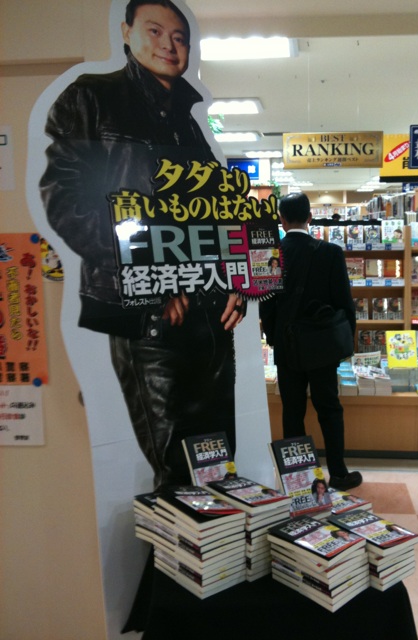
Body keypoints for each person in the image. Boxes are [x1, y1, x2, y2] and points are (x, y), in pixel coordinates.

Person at [39, 0, 245, 489]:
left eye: (179, 38)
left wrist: (239, 279)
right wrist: (151, 276)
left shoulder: (188, 120)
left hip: (210, 314)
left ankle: (213, 540)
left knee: (218, 464)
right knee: (177, 469)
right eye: (155, 31)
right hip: (147, 314)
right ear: (126, 32)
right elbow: (66, 202)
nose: (169, 46)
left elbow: (216, 213)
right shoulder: (91, 97)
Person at [259, 192, 362, 491]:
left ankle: (299, 478)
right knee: (329, 407)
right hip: (322, 345)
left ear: (281, 219)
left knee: (292, 410)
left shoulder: (270, 254)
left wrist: (276, 338)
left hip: (287, 345)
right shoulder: (330, 252)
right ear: (310, 218)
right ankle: (338, 473)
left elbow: (266, 305)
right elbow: (344, 303)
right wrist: (344, 342)